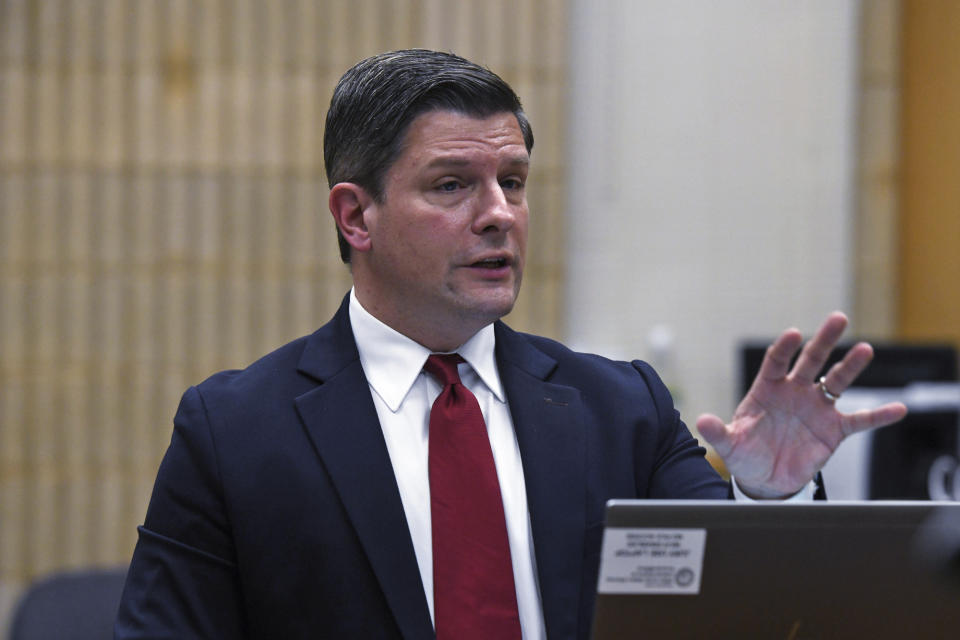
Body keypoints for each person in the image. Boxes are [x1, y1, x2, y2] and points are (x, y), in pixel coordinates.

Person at [114, 49, 907, 639]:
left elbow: (735, 613)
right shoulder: (237, 430)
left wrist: (765, 496)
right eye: (453, 185)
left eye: (515, 182)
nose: (500, 214)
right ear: (356, 216)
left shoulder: (620, 408)